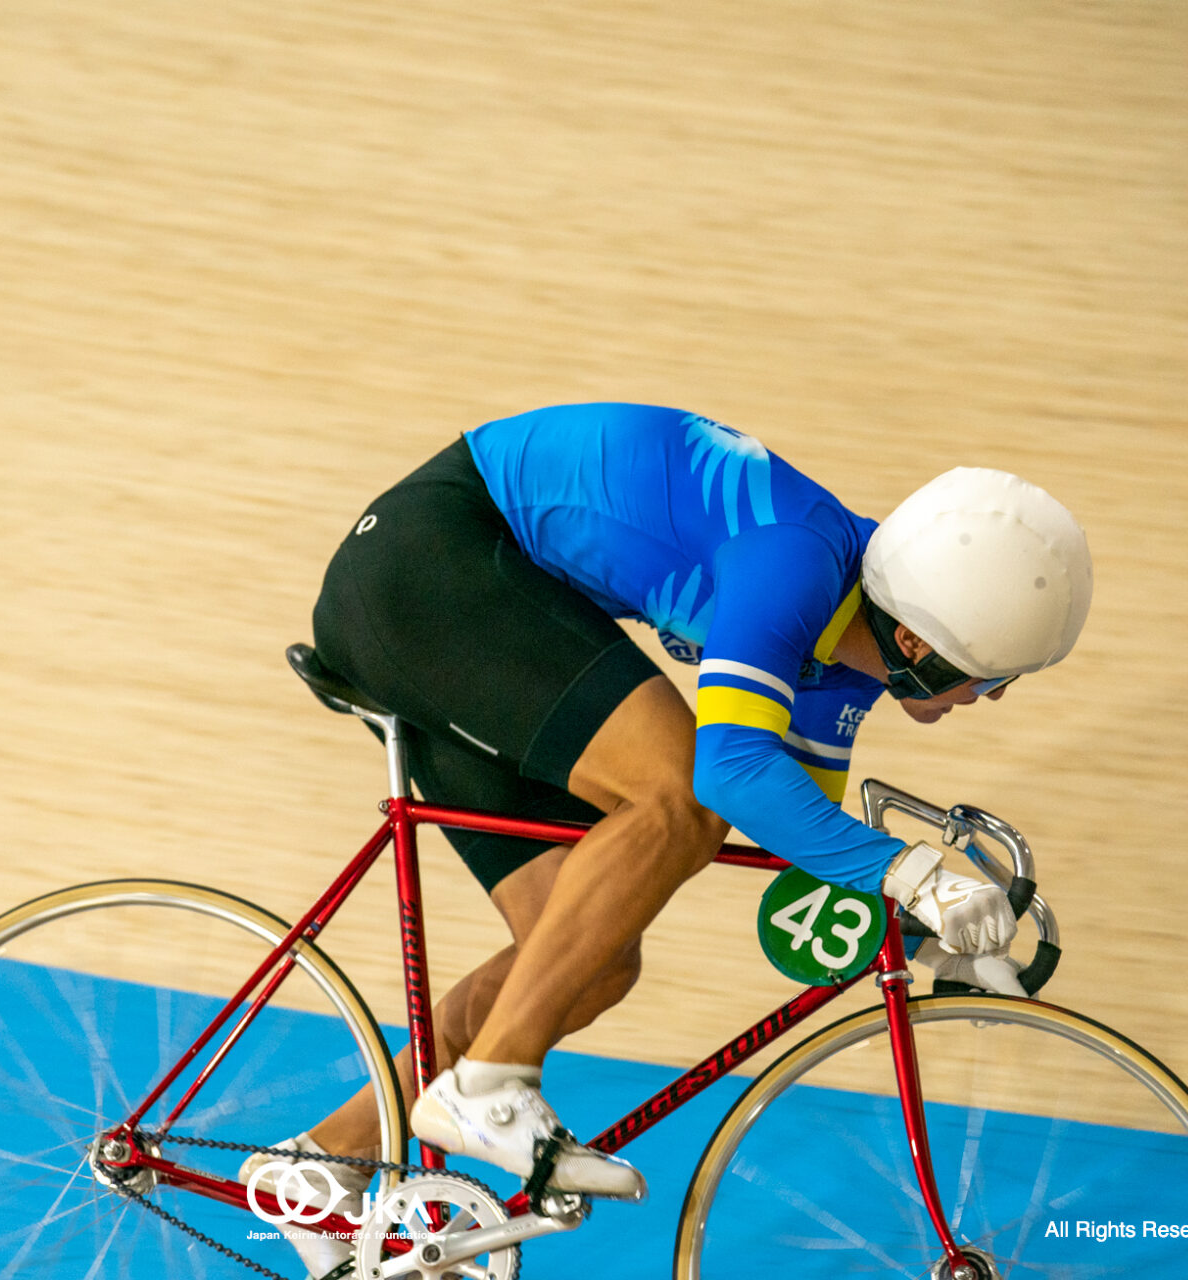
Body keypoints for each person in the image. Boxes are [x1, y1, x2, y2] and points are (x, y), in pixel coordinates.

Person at [244, 403, 1092, 1275]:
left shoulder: (846, 664)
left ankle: (323, 1167)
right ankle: (490, 1083)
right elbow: (727, 775)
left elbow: (796, 836)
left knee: (588, 959)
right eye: (994, 679)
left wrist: (923, 935)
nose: (993, 699)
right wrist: (920, 874)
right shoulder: (796, 559)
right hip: (436, 559)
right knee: (676, 795)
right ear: (920, 641)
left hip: (494, 599)